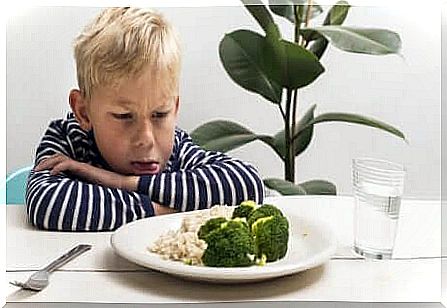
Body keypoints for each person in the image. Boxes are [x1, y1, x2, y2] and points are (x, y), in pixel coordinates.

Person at [25, 7, 264, 232]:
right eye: (124, 116)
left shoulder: (177, 148)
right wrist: (165, 211)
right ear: (84, 112)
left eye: (160, 114)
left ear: (175, 107)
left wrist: (121, 182)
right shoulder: (68, 138)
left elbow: (248, 185)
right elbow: (49, 204)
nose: (146, 139)